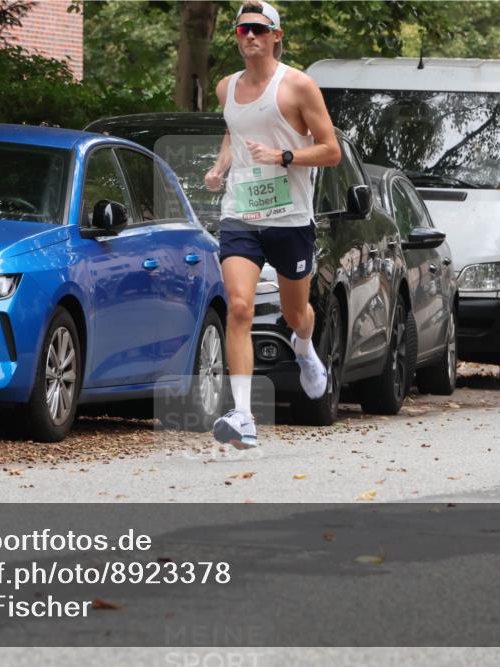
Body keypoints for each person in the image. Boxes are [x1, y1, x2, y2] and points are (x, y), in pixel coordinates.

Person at [205, 0, 341, 448]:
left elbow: (331, 150)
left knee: (294, 314)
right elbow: (233, 131)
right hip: (241, 212)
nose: (249, 36)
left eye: (258, 29)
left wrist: (285, 156)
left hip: (289, 217)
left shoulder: (298, 86)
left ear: (276, 36)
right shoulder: (225, 88)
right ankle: (243, 414)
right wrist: (221, 166)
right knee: (239, 307)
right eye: (242, 29)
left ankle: (304, 348)